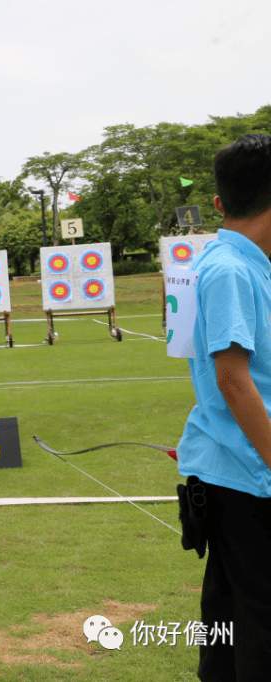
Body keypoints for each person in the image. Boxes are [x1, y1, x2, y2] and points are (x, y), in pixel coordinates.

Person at [177, 132, 271, 681]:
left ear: (218, 202)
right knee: (258, 622)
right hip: (248, 478)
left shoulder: (238, 262)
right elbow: (233, 379)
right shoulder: (232, 268)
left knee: (229, 618)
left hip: (233, 470)